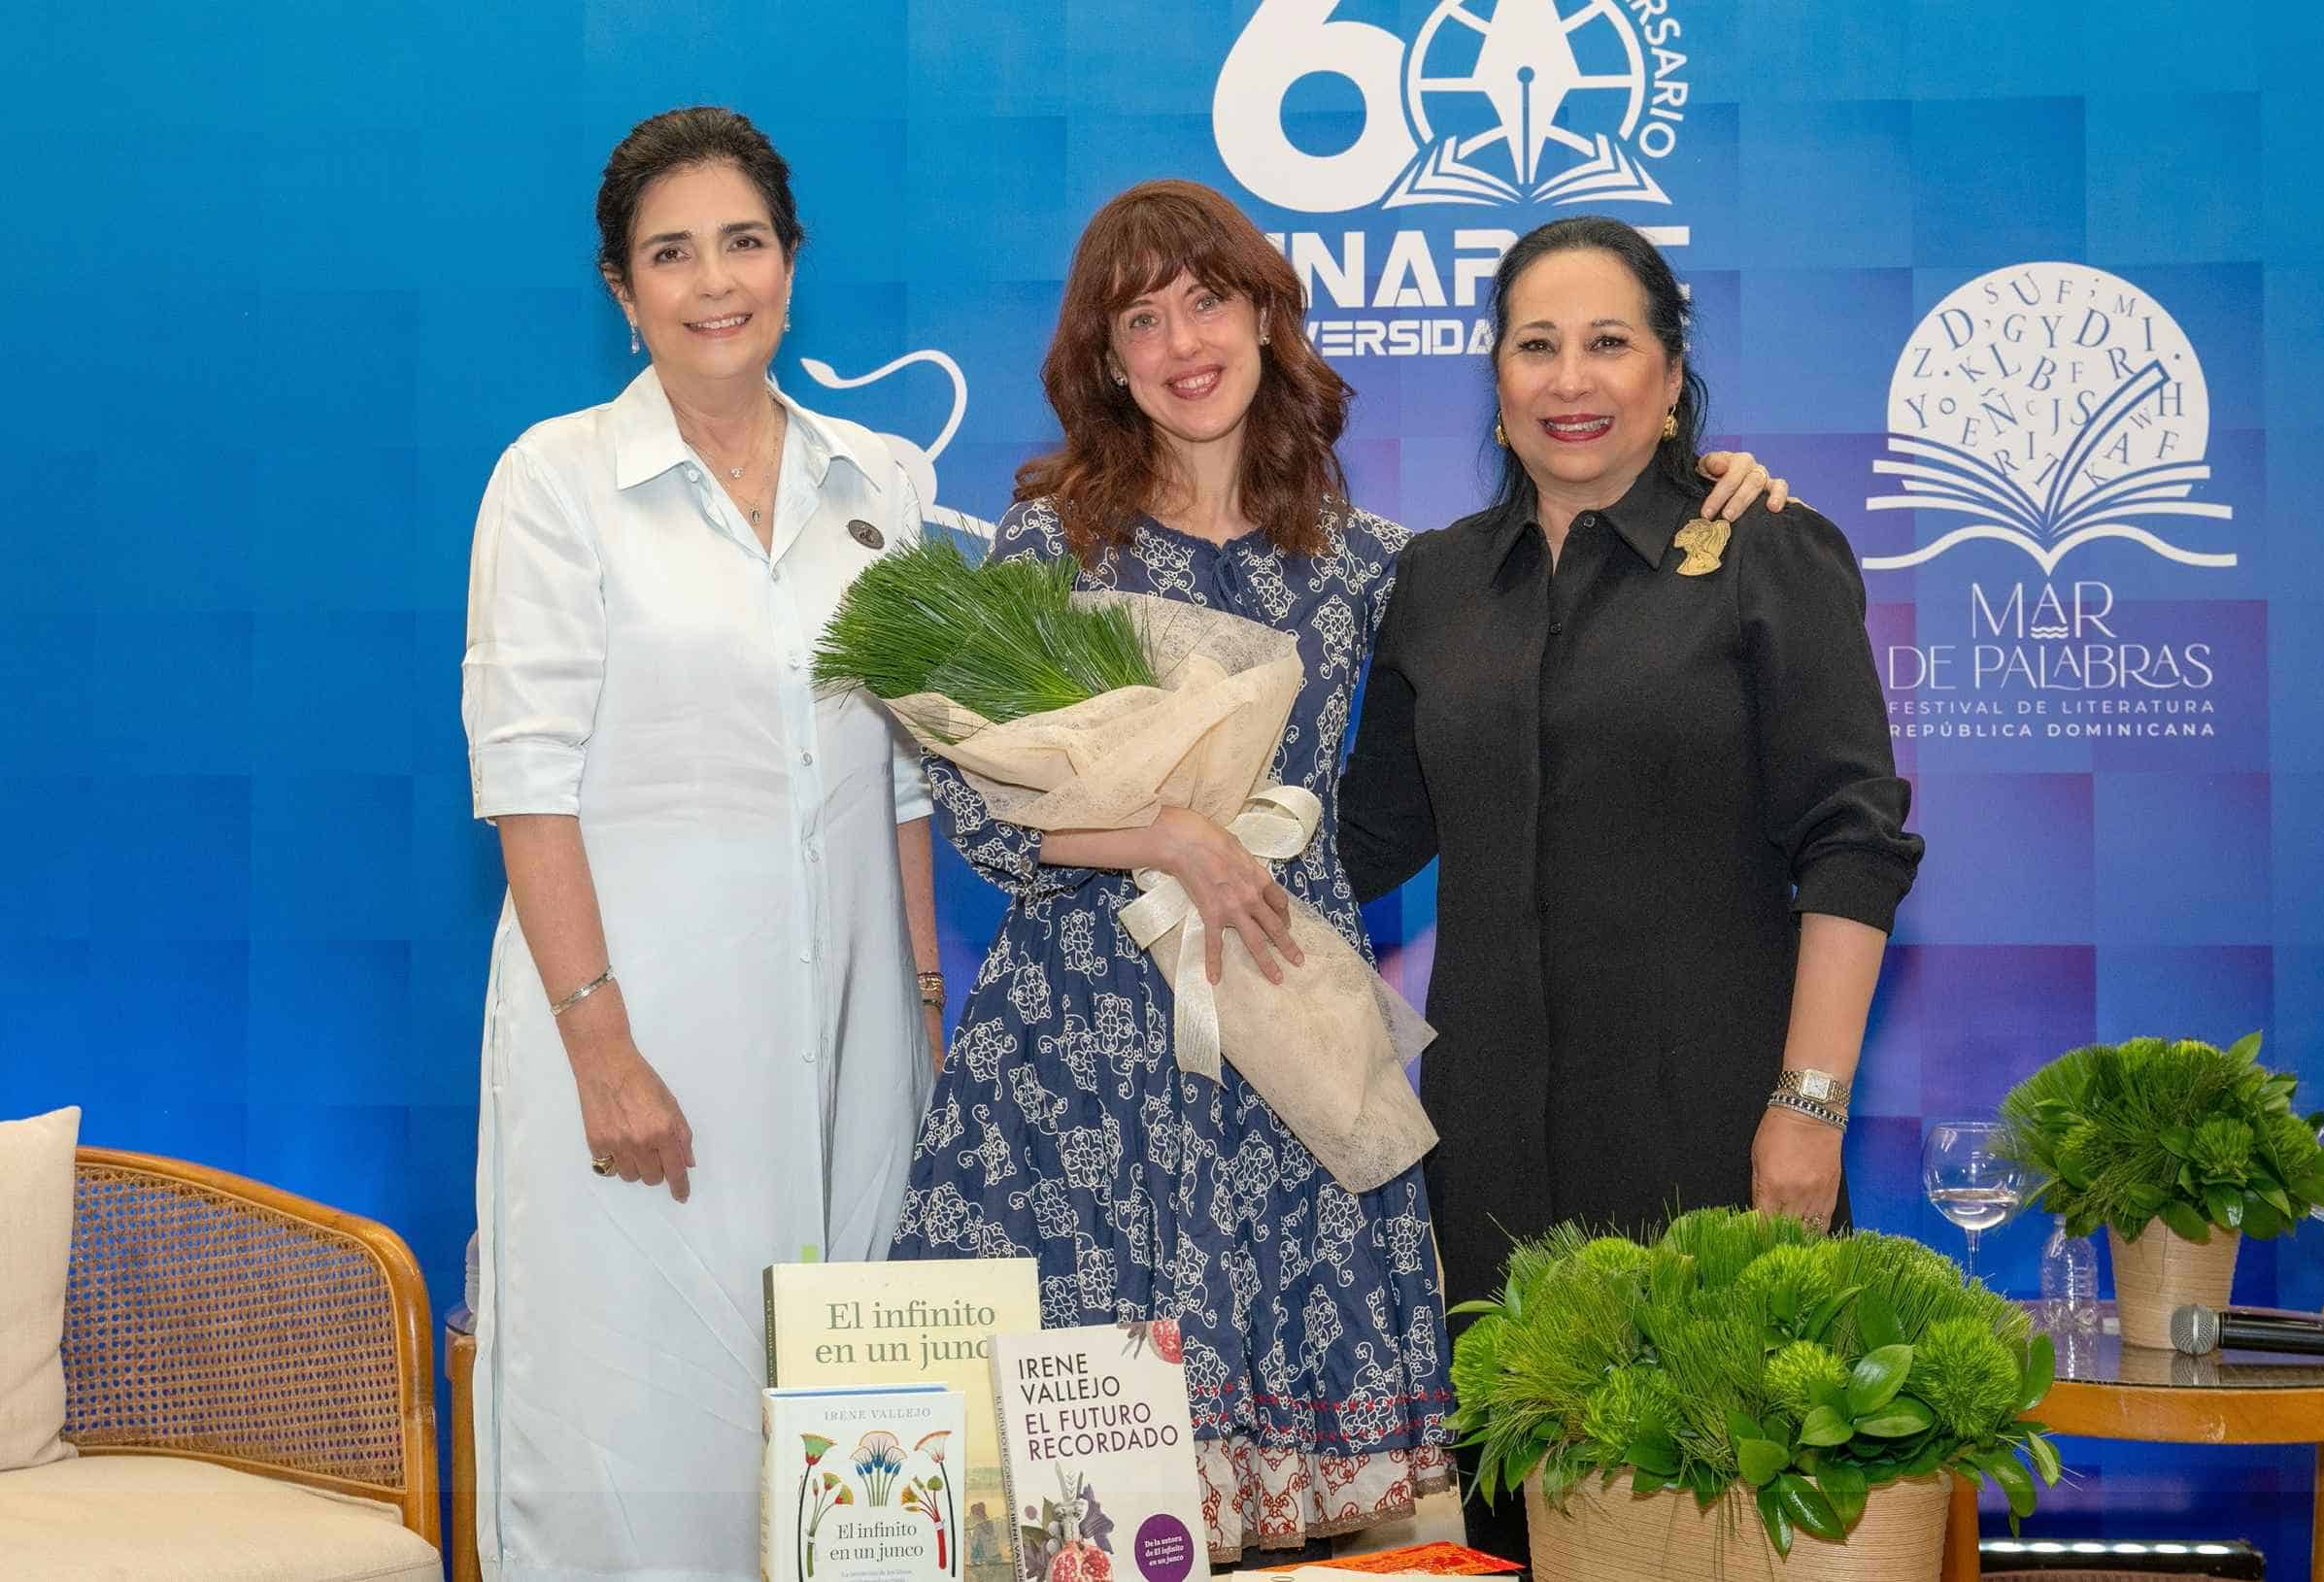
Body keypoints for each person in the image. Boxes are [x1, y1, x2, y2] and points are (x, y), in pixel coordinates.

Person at [889, 183, 1780, 1562]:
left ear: (1264, 318)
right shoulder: (1047, 543)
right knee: (1060, 1516)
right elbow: (980, 803)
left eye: (1208, 300)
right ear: (1105, 356)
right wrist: (1169, 835)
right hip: (1080, 1061)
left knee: (1289, 1536)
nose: (1183, 341)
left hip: (1284, 1048)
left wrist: (1723, 486)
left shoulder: (1373, 566)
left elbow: (1491, 708)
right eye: (1142, 316)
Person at [1337, 216, 1921, 1554]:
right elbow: (1357, 844)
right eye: (1536, 345)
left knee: (1719, 1540)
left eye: (1609, 342)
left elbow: (1853, 843)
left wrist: (1809, 1107)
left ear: (1671, 374)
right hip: (1489, 1175)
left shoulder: (1771, 552)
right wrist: (1155, 823)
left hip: (1714, 1148)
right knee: (1520, 1540)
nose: (1570, 379)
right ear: (1493, 376)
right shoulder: (1433, 585)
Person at [461, 106, 939, 1579]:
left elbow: (909, 777)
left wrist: (921, 1011)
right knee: (635, 1432)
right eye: (671, 253)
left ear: (792, 264)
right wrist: (603, 1049)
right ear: (622, 289)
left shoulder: (880, 485)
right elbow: (525, 780)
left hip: (854, 1051)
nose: (713, 279)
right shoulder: (553, 482)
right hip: (636, 1044)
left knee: (854, 1450)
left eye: (743, 241)